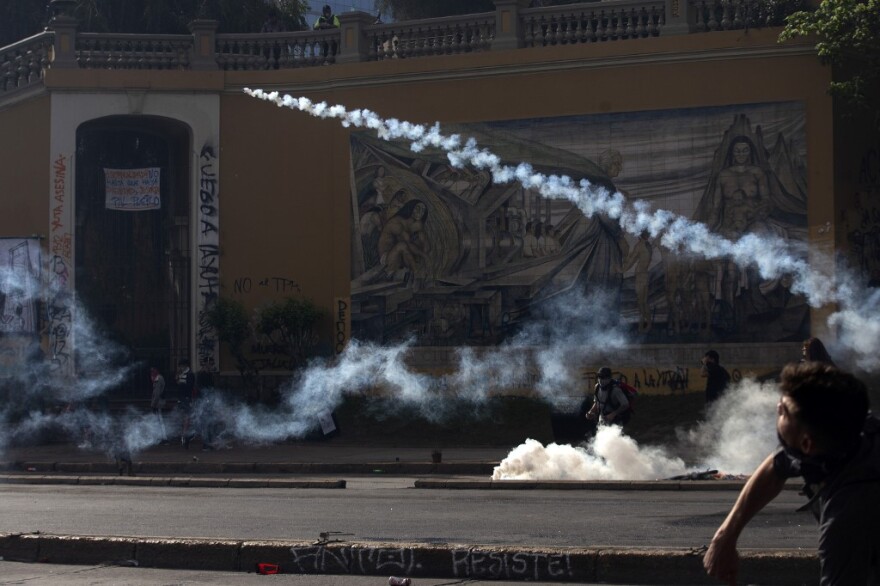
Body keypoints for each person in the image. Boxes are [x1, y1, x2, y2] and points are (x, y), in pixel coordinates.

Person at [704, 362, 879, 585]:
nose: (778, 407)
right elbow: (777, 466)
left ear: (806, 444)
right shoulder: (848, 430)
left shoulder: (847, 518)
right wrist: (726, 536)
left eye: (784, 411)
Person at [175, 358, 196, 448]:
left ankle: (186, 435)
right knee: (183, 418)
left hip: (187, 399)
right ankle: (185, 436)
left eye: (181, 366)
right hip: (181, 398)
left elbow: (189, 387)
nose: (180, 368)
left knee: (187, 418)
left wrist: (181, 384)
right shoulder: (181, 374)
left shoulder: (190, 374)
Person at [149, 366, 168, 442]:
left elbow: (157, 394)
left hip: (158, 403)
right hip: (159, 402)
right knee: (160, 421)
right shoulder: (159, 378)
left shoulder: (158, 378)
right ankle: (162, 437)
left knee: (160, 421)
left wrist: (153, 405)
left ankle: (164, 438)